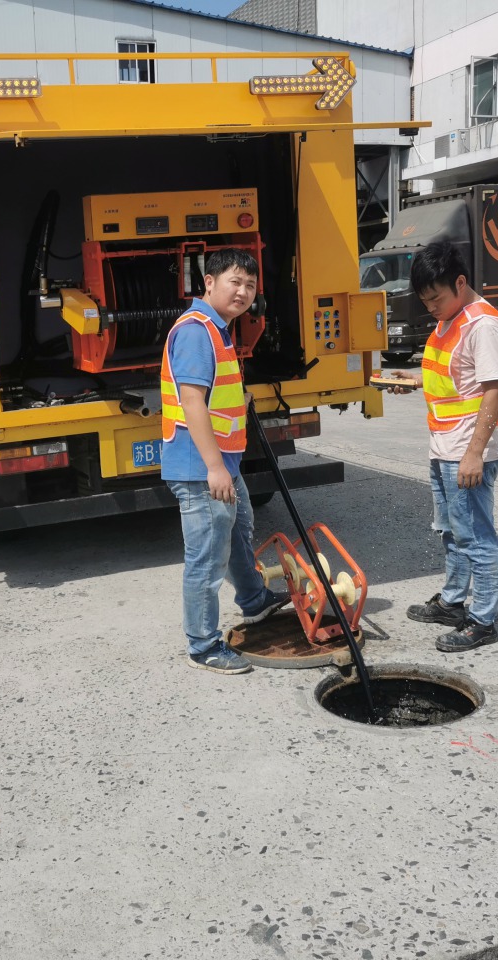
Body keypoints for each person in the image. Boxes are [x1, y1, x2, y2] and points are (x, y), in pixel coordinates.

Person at [160, 248, 289, 675]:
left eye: (251, 285)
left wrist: (240, 398)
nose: (244, 291)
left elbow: (214, 392)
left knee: (238, 534)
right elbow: (193, 402)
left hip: (221, 464)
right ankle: (203, 645)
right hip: (203, 468)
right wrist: (215, 468)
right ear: (209, 283)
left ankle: (254, 600)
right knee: (206, 558)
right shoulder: (198, 330)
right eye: (235, 281)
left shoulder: (219, 329)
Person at [386, 242, 498, 653]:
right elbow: (456, 375)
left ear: (460, 282)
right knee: (451, 532)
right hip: (443, 446)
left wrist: (474, 454)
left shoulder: (483, 325)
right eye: (425, 301)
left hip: (467, 451)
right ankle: (454, 603)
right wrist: (413, 379)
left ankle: (483, 620)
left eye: (436, 298)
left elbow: (493, 392)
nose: (431, 307)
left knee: (476, 537)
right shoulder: (450, 319)